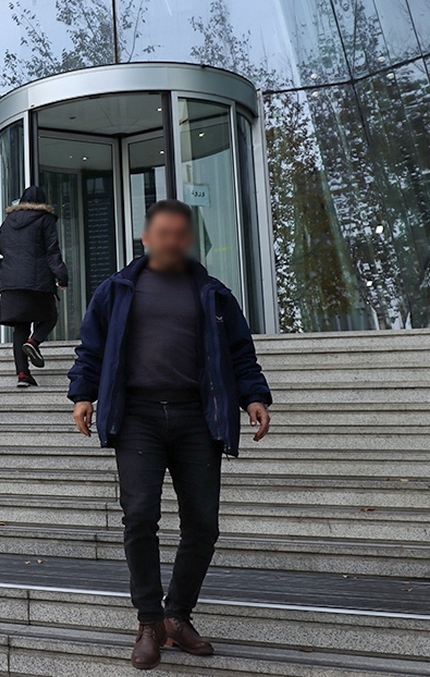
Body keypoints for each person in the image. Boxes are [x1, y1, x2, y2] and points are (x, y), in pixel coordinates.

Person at [67, 199, 272, 670]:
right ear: (146, 237)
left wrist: (254, 397)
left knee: (203, 523)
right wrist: (83, 394)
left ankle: (177, 616)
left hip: (197, 417)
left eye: (180, 234)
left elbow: (240, 354)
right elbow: (91, 348)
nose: (172, 241)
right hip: (138, 415)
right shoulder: (117, 289)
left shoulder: (214, 294)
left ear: (189, 240)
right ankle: (148, 622)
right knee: (140, 516)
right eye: (163, 233)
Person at [0, 185, 68, 388]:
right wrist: (62, 277)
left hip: (10, 282)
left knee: (21, 327)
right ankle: (33, 342)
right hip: (37, 280)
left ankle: (23, 375)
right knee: (50, 316)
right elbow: (52, 251)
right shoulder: (45, 219)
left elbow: (0, 247)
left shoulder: (8, 222)